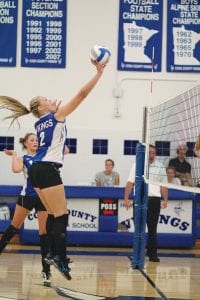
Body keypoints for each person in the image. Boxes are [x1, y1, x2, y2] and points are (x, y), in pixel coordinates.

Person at [0, 59, 106, 280]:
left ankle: (51, 255)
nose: (51, 99)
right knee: (61, 214)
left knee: (50, 214)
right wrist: (98, 73)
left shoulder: (40, 123)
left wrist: (58, 113)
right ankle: (58, 256)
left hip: (38, 171)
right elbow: (81, 95)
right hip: (47, 170)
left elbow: (54, 131)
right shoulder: (56, 117)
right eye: (46, 99)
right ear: (41, 107)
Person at [0, 133, 51, 286]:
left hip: (43, 197)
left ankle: (46, 270)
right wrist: (14, 155)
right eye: (32, 140)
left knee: (44, 232)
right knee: (13, 227)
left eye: (36, 140)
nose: (35, 142)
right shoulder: (23, 158)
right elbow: (16, 170)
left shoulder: (45, 155)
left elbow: (65, 150)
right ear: (26, 143)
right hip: (27, 196)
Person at [124, 145, 168, 262]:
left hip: (154, 200)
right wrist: (126, 198)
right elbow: (130, 182)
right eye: (150, 152)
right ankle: (138, 253)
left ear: (156, 154)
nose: (151, 155)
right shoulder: (137, 165)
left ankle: (152, 254)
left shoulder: (160, 167)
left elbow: (164, 185)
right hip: (139, 199)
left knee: (152, 229)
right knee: (139, 228)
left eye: (154, 153)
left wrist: (165, 199)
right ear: (146, 153)